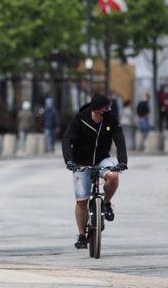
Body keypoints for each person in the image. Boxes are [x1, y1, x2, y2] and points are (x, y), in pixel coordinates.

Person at [61, 93, 127, 250]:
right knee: (82, 200)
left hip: (102, 158)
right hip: (80, 162)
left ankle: (106, 203)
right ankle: (82, 235)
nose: (108, 109)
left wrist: (123, 161)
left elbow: (120, 140)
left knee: (113, 175)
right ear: (96, 109)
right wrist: (69, 161)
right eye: (105, 107)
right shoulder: (80, 119)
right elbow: (66, 139)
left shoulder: (110, 119)